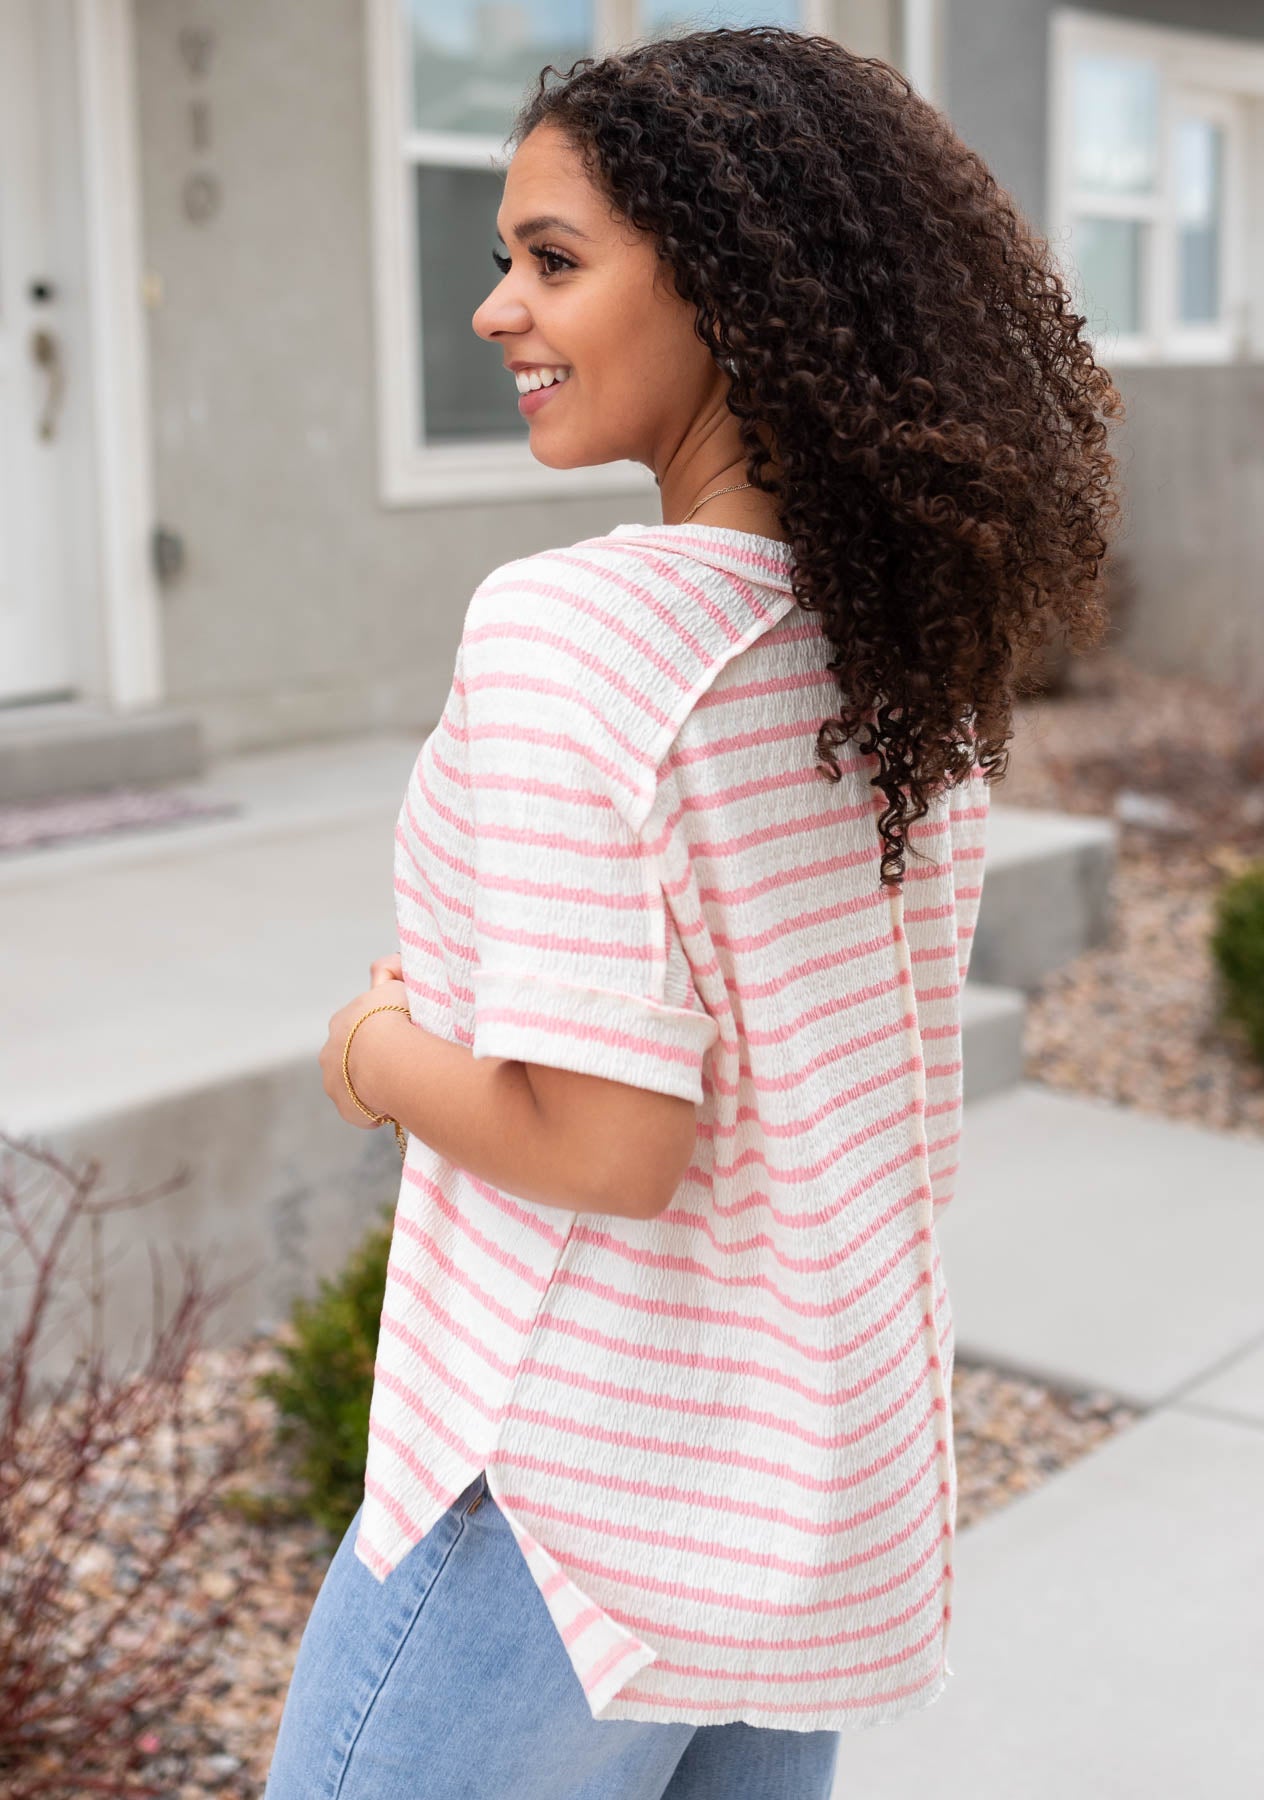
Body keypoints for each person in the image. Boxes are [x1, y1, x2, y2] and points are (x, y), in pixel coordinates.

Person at [265, 25, 1122, 1800]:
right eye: (502, 258)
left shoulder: (577, 634)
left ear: (731, 286)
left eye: (553, 260)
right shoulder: (899, 662)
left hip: (565, 1512)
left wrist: (372, 1051)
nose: (498, 308)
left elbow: (608, 1142)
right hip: (796, 1491)